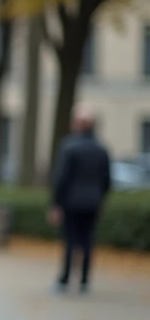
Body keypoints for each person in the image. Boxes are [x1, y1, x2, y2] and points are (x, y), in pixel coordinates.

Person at [49, 103, 111, 293]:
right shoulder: (101, 149)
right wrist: (101, 199)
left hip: (71, 202)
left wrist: (56, 203)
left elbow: (61, 178)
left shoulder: (69, 147)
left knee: (69, 240)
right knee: (87, 241)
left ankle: (65, 279)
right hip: (92, 202)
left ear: (76, 123)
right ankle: (84, 280)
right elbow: (106, 179)